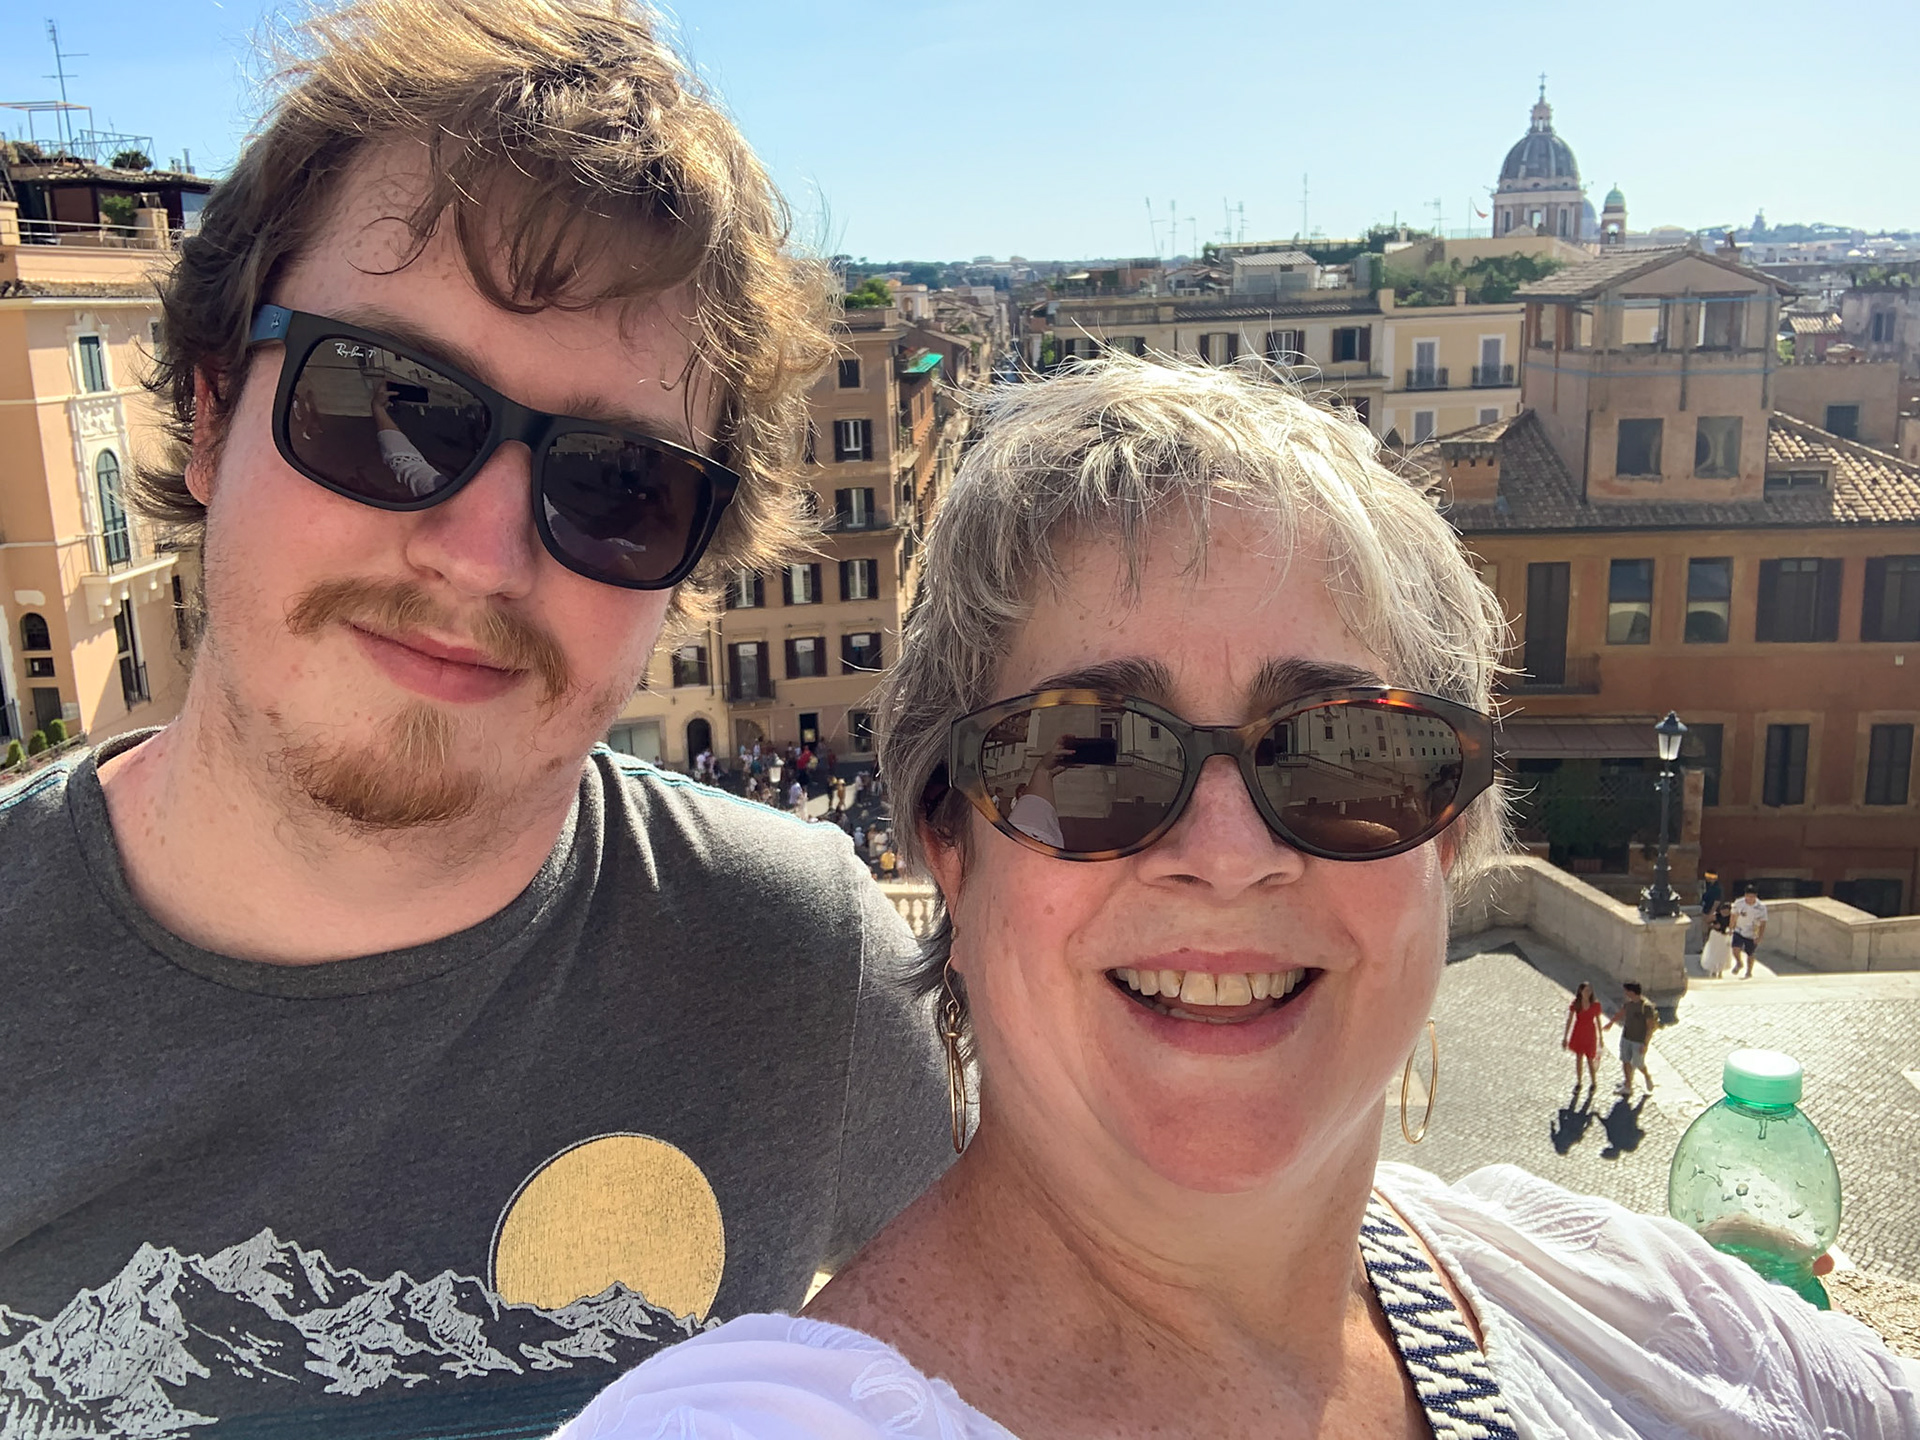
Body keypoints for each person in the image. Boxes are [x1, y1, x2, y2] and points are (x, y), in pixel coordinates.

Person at [558, 359, 1920, 1438]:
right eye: (1089, 755)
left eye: (1346, 752)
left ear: (1449, 836)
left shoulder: (1622, 1306)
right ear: (949, 848)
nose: (1227, 852)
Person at [0, 4, 950, 1435]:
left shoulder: (795, 964)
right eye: (389, 406)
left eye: (619, 486)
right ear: (209, 413)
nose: (480, 555)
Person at [1605, 981, 1660, 1100]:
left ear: (1632, 992)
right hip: (1626, 1037)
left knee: (1639, 1064)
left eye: (1627, 991)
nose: (1625, 993)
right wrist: (1610, 1023)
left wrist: (1645, 1044)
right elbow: (1621, 1013)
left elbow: (1650, 1027)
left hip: (1638, 1041)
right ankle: (1628, 1086)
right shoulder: (1628, 1004)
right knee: (1625, 1061)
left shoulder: (1646, 1007)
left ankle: (1647, 1076)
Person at [1562, 981, 1602, 1093]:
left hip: (1590, 1034)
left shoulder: (1595, 1005)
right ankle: (1579, 1083)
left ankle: (1594, 1083)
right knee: (1579, 1059)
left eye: (1590, 990)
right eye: (1586, 990)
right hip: (1579, 1033)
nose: (1588, 993)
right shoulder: (1576, 1004)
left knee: (1590, 1059)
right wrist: (1565, 1036)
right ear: (1581, 991)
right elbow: (1569, 1019)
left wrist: (1601, 1037)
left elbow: (1598, 1021)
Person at [1732, 882, 1770, 978]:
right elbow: (1733, 915)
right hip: (1739, 929)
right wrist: (1731, 927)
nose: (1750, 899)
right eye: (1748, 896)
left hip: (1752, 931)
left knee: (1750, 953)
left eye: (1752, 897)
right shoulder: (1739, 903)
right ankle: (1739, 962)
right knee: (1735, 948)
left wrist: (1760, 936)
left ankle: (1749, 971)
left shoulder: (1761, 907)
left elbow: (1763, 922)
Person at [1702, 899, 1735, 979]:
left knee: (1723, 953)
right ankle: (1713, 970)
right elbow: (1707, 922)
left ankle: (1720, 970)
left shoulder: (1731, 918)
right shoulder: (1716, 916)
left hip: (1725, 936)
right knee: (1714, 952)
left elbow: (1734, 926)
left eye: (1727, 911)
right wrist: (1714, 926)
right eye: (1723, 910)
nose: (1725, 912)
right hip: (1716, 935)